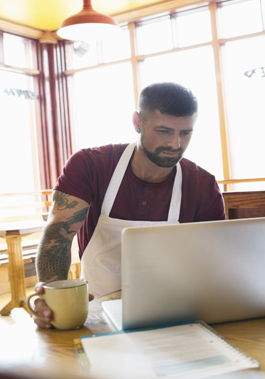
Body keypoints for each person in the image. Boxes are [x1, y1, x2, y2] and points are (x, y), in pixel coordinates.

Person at [31, 82, 225, 329]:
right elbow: (57, 235)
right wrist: (52, 294)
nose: (176, 144)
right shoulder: (90, 166)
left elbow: (214, 260)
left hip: (174, 313)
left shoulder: (202, 185)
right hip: (96, 311)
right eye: (164, 131)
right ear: (137, 122)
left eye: (186, 133)